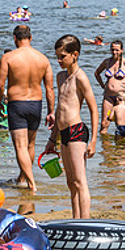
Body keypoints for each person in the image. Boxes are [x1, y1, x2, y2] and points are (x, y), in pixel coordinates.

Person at [0, 25, 55, 192]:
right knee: (30, 145)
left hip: (17, 103)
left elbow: (0, 85)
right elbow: (50, 88)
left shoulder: (8, 57)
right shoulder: (42, 59)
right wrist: (51, 111)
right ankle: (22, 178)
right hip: (36, 104)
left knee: (20, 146)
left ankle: (31, 184)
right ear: (31, 38)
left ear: (15, 38)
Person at [45, 34, 98, 219]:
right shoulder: (61, 77)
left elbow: (93, 109)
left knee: (80, 181)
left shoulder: (80, 77)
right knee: (70, 182)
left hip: (77, 131)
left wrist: (93, 141)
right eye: (57, 56)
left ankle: (85, 221)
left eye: (62, 56)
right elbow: (60, 110)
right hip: (64, 132)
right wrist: (52, 138)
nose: (59, 60)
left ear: (74, 54)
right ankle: (76, 219)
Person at [94, 40, 125, 134]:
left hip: (122, 97)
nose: (114, 52)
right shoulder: (107, 62)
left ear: (122, 50)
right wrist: (103, 85)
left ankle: (120, 145)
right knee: (104, 122)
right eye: (112, 50)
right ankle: (105, 147)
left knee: (120, 122)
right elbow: (97, 73)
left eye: (117, 50)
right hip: (108, 97)